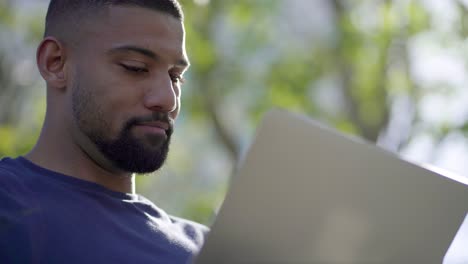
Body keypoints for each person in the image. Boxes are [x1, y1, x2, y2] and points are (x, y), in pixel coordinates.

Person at [0, 0, 208, 263]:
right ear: (56, 63)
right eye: (136, 68)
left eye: (175, 76)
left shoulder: (209, 249)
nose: (169, 99)